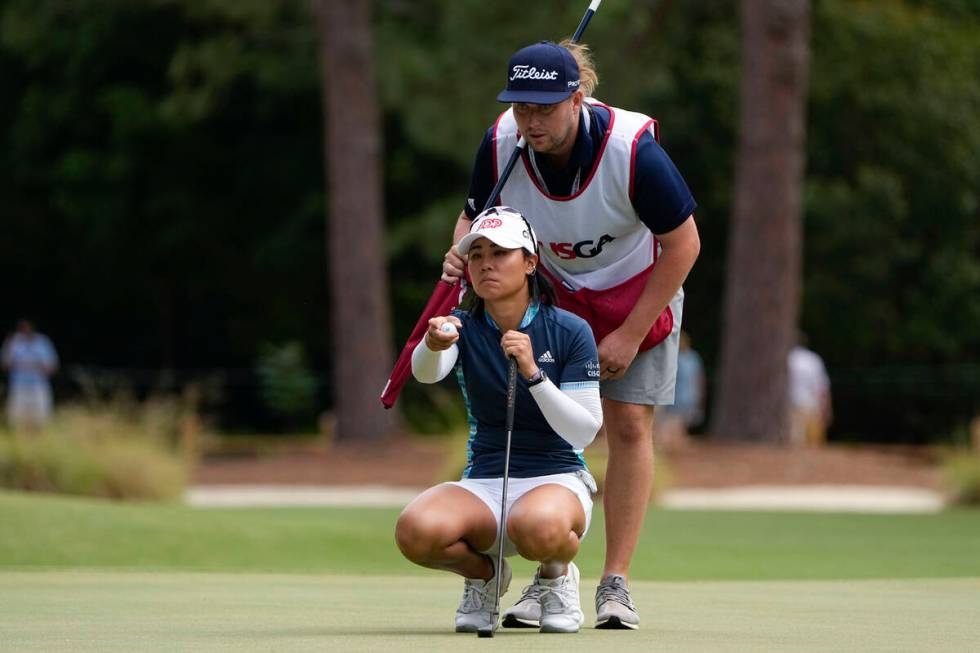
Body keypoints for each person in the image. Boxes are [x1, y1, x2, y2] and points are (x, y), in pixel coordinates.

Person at [441, 40, 700, 629]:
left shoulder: (632, 149)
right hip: (555, 285)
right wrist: (461, 251)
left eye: (544, 109)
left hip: (641, 283)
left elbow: (685, 244)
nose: (530, 121)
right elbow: (474, 214)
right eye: (521, 108)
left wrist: (631, 334)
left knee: (628, 422)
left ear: (576, 99)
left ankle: (616, 583)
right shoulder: (502, 143)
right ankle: (551, 572)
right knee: (545, 416)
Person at [397, 206, 603, 634]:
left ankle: (555, 576)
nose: (486, 263)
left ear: (530, 262)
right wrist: (433, 343)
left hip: (558, 479)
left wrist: (533, 373)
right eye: (477, 255)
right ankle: (487, 577)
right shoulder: (462, 328)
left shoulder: (570, 330)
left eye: (501, 252)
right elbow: (425, 372)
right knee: (415, 530)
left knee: (538, 526)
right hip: (485, 482)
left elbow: (584, 429)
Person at [1, 319, 60, 432]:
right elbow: (5, 366)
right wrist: (8, 346)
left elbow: (52, 367)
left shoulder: (43, 342)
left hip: (38, 385)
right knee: (17, 419)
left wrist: (34, 365)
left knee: (41, 418)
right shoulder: (13, 342)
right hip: (19, 386)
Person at [655, 331, 705, 448]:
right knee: (678, 426)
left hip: (676, 398)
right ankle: (676, 449)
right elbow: (699, 380)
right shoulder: (693, 358)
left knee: (670, 427)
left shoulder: (675, 358)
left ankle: (672, 450)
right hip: (689, 397)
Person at [788, 335, 832, 447]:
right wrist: (826, 410)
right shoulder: (814, 360)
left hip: (791, 407)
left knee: (795, 445)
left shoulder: (787, 359)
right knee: (813, 445)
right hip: (811, 407)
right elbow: (822, 389)